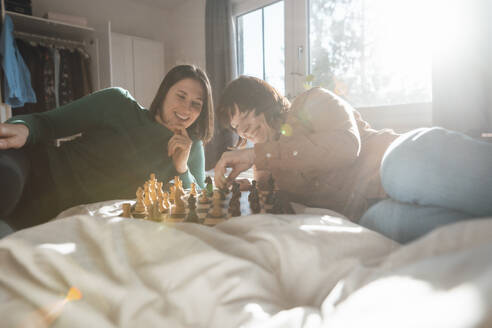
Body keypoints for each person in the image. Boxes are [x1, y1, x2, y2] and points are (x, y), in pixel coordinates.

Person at [214, 75, 492, 243]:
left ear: (264, 102)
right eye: (236, 127)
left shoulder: (311, 101)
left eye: (246, 115)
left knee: (402, 167)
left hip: (388, 163)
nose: (243, 130)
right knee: (392, 226)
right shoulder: (266, 162)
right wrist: (241, 187)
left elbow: (346, 146)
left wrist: (257, 154)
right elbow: (269, 204)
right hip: (366, 212)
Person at [0, 64, 214, 230]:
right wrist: (25, 129)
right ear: (165, 92)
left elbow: (199, 203)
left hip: (60, 211)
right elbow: (47, 123)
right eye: (181, 96)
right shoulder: (116, 102)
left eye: (196, 103)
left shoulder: (191, 148)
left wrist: (181, 168)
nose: (187, 109)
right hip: (38, 171)